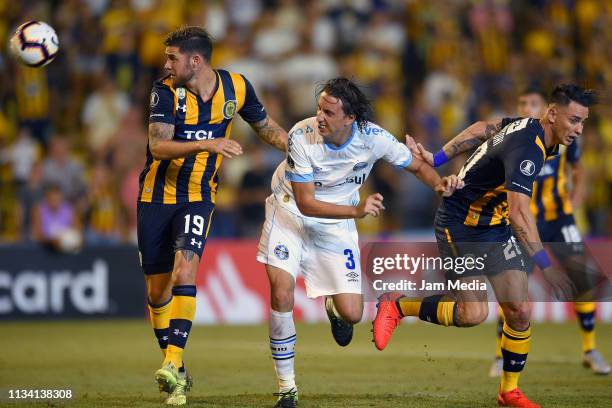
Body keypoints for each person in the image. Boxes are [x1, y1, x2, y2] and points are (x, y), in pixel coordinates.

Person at [373, 84, 596, 408]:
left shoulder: (532, 128)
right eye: (574, 120)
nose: (578, 129)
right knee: (472, 313)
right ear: (552, 114)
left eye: (583, 122)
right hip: (459, 225)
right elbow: (521, 213)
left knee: (519, 311)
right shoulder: (529, 149)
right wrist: (547, 266)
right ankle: (397, 305)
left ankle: (509, 391)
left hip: (493, 227)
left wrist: (436, 157)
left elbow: (481, 129)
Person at [257, 77, 462, 408]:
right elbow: (306, 202)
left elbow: (415, 166)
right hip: (290, 213)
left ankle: (334, 308)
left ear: (350, 117)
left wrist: (440, 186)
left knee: (353, 314)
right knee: (281, 292)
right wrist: (356, 210)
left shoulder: (374, 138)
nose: (319, 117)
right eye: (318, 109)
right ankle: (287, 388)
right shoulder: (301, 136)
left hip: (336, 227)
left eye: (328, 112)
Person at [138, 26, 287, 406]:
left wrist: (301, 150)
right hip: (155, 197)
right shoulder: (164, 90)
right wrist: (207, 142)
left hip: (199, 196)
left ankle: (172, 364)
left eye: (172, 57)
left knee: (185, 271)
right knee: (157, 293)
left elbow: (266, 127)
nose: (166, 63)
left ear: (195, 60)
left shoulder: (237, 87)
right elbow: (158, 145)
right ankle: (178, 369)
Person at [485, 88, 609, 377]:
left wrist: (576, 196)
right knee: (513, 288)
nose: (527, 107)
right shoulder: (515, 138)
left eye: (533, 103)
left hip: (558, 218)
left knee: (582, 278)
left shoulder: (564, 138)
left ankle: (590, 349)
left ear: (548, 111)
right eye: (522, 103)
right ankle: (499, 355)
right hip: (523, 222)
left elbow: (579, 169)